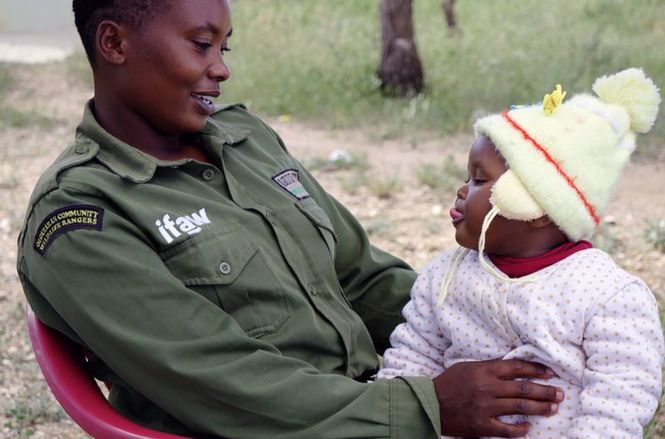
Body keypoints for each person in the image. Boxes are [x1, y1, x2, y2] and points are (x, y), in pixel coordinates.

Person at [16, 1, 564, 437]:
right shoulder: (80, 217)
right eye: (202, 45)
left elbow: (362, 277)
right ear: (114, 43)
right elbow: (223, 383)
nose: (222, 68)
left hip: (375, 399)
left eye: (224, 47)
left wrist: (505, 324)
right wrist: (429, 408)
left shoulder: (244, 138)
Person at [378, 68, 664, 438]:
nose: (462, 190)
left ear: (537, 207)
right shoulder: (444, 278)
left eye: (479, 180)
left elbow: (621, 397)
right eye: (467, 178)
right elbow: (412, 358)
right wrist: (388, 419)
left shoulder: (605, 294)